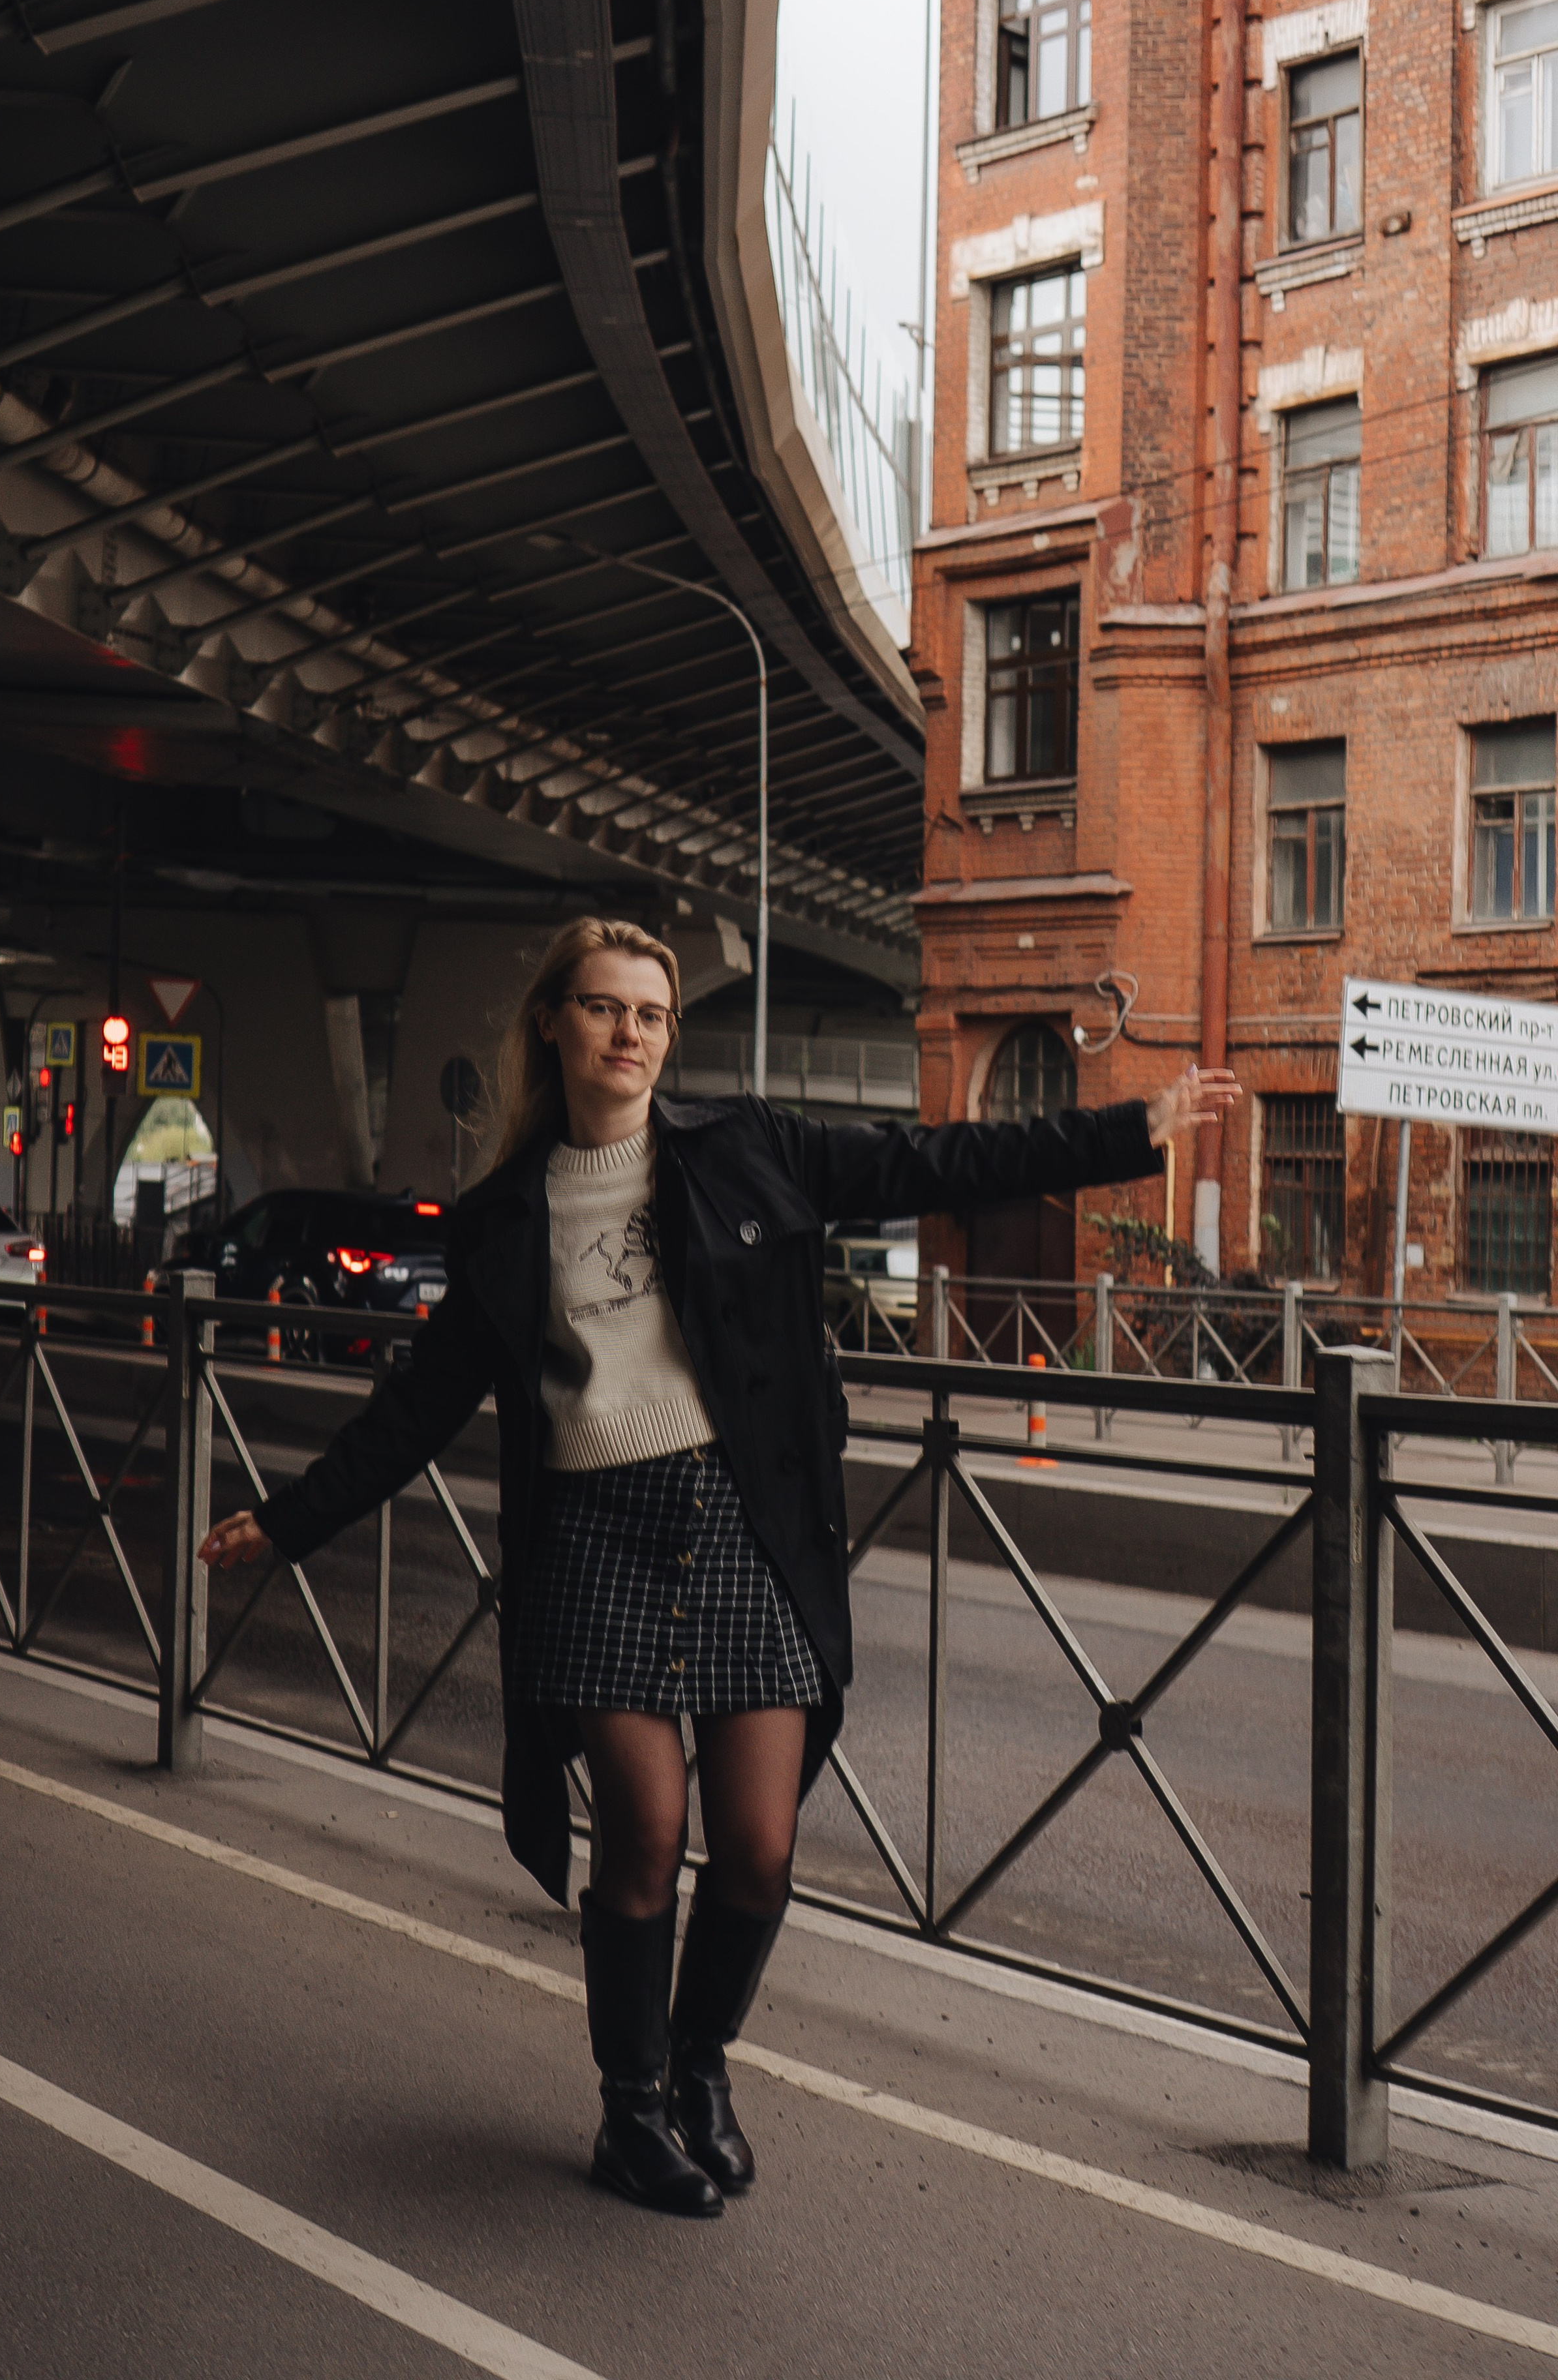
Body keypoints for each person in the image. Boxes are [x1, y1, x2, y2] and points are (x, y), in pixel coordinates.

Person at [200, 916, 1238, 2220]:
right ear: (550, 1024)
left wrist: (1127, 1128)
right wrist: (292, 1520)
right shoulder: (503, 1224)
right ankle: (627, 2111)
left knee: (754, 1846)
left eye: (649, 1012)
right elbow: (417, 1409)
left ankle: (700, 2069)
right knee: (644, 1826)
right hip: (591, 1536)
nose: (627, 1032)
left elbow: (938, 1159)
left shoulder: (748, 1151)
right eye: (601, 1007)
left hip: (742, 1523)